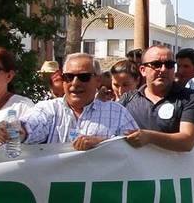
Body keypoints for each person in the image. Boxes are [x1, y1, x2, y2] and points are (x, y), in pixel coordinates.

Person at [12, 53, 140, 150]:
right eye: (69, 77)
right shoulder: (49, 109)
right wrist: (16, 130)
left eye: (83, 77)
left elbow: (134, 150)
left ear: (98, 80)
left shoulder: (117, 113)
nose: (75, 83)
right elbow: (31, 126)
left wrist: (101, 144)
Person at [119, 44, 194, 151]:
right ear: (142, 70)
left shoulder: (189, 98)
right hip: (133, 167)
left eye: (169, 64)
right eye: (156, 64)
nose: (163, 69)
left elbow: (187, 141)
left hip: (174, 167)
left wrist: (149, 137)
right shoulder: (128, 99)